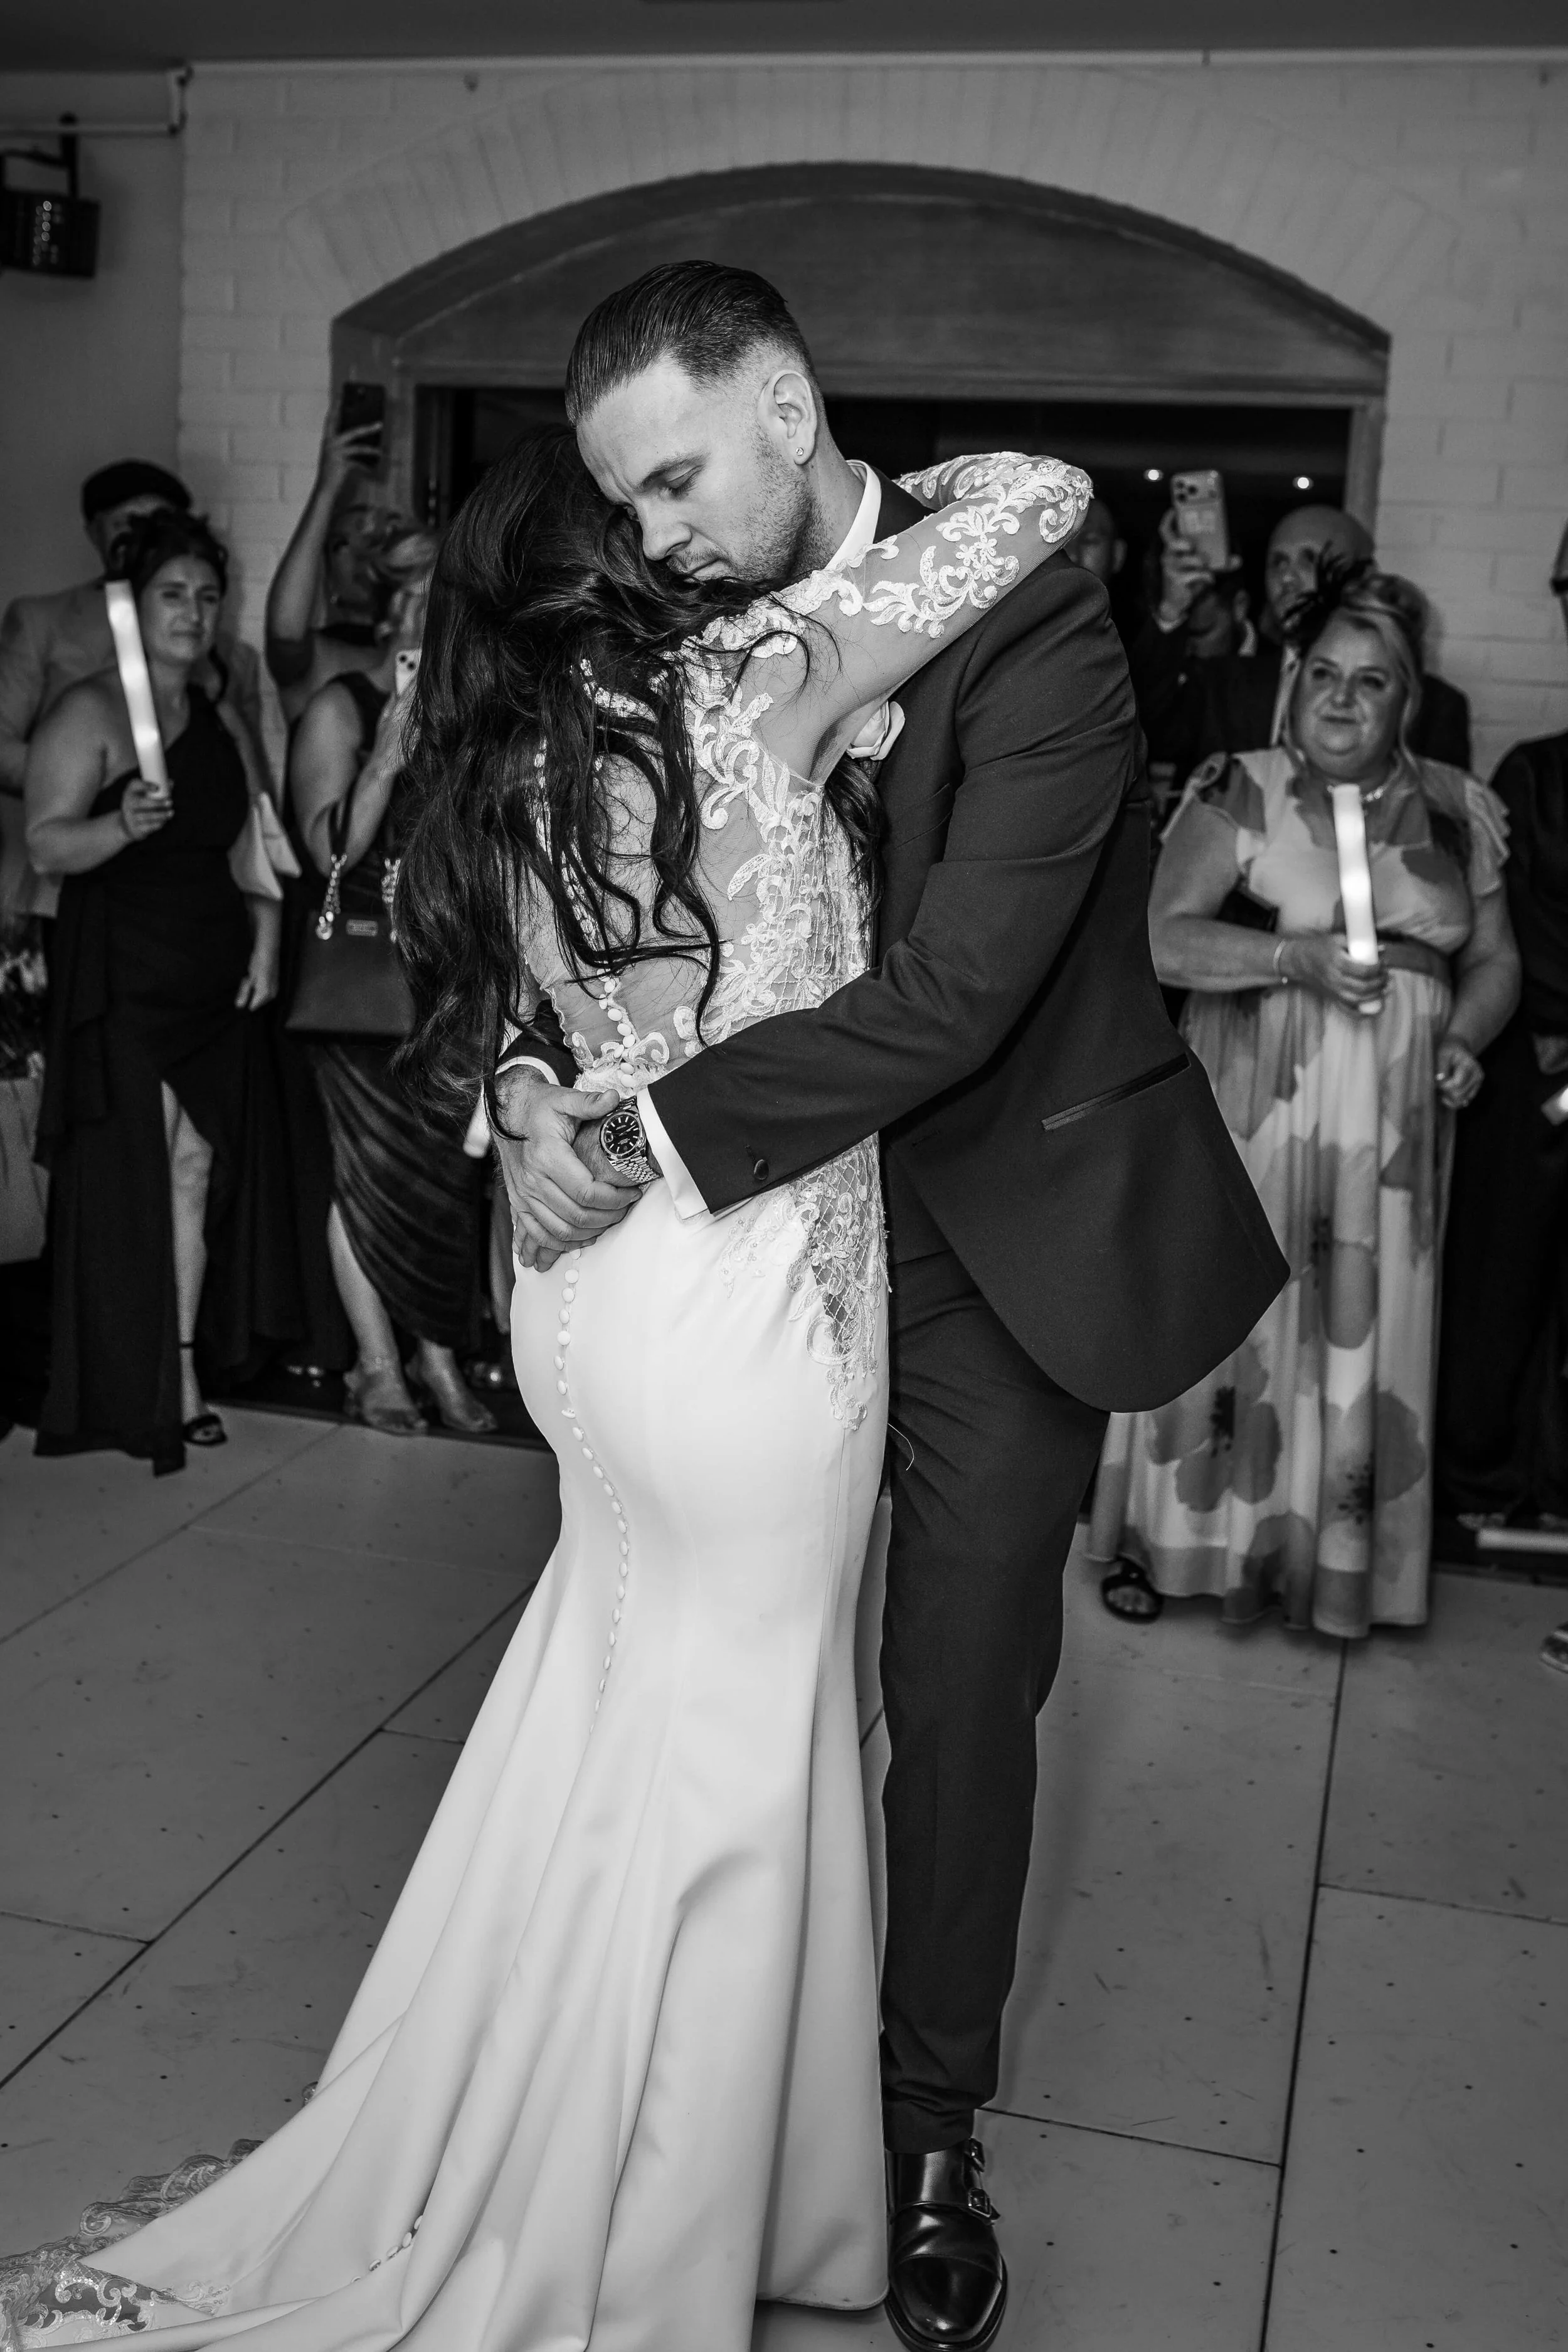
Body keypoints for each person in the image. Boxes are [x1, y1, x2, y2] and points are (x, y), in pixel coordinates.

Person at [3, 415, 1102, 2346]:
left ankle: (616, 2143)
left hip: (598, 1290)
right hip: (740, 1301)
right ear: (615, 560)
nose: (685, 525)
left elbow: (542, 1023)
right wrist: (822, 474)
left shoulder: (508, 763)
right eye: (649, 503)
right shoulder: (748, 684)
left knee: (607, 1717)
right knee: (737, 1756)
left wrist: (526, 1091)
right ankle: (660, 2228)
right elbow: (1043, 495)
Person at [488, 263, 1285, 2351]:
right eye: (622, 507)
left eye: (673, 483)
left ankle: (926, 2140)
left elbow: (948, 1000)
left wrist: (642, 1136)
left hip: (984, 1240)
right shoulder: (673, 623)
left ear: (785, 405)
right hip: (766, 1230)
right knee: (741, 1677)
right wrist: (527, 1077)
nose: (654, 541)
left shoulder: (1027, 603)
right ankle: (709, 2105)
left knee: (953, 1684)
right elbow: (592, 896)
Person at [1088, 564, 1520, 1638]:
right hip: (1254, 1103)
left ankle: (1333, 1568)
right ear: (1294, 682)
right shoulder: (1242, 783)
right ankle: (1169, 1541)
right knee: (1226, 1310)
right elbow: (1160, 936)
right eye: (1323, 674)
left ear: (1408, 700)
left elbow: (1498, 960)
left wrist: (1464, 1035)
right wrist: (1295, 958)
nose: (1341, 699)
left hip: (1392, 1131)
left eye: (1371, 683)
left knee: (1360, 1329)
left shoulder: (1462, 808)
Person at [23, 511, 299, 1473]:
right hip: (124, 973)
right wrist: (122, 828)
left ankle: (179, 1363)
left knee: (195, 1167)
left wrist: (265, 928)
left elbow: (246, 837)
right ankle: (136, 1380)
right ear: (133, 610)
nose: (193, 612)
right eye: (173, 595)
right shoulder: (88, 712)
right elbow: (47, 842)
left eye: (207, 596)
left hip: (208, 970)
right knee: (138, 1171)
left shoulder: (216, 715)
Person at [286, 530, 495, 1438]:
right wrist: (386, 749)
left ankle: (438, 1356)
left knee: (444, 1180)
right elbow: (324, 852)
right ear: (392, 609)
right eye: (421, 601)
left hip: (448, 983)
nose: (436, 617)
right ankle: (380, 1369)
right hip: (364, 987)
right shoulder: (345, 703)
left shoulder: (469, 705)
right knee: (369, 1174)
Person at [1437, 517, 1568, 1534]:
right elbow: (1522, 932)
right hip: (1538, 1072)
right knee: (1503, 1280)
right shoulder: (1537, 771)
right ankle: (1481, 1483)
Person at [0, 460, 266, 830]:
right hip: (71, 847)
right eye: (126, 524)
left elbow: (253, 790)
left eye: (159, 521)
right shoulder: (39, 622)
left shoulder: (223, 653)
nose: (144, 535)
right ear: (94, 532)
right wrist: (83, 780)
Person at [1134, 502, 1473, 785]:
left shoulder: (1434, 708)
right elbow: (1146, 729)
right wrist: (1171, 609)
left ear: (1362, 575)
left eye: (1310, 559)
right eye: (1277, 562)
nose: (1287, 578)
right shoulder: (1223, 683)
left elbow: (1440, 834)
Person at [265, 410, 411, 730]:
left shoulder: (422, 651)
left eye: (377, 541)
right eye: (341, 545)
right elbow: (285, 632)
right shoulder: (318, 657)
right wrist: (327, 488)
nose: (363, 552)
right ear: (326, 579)